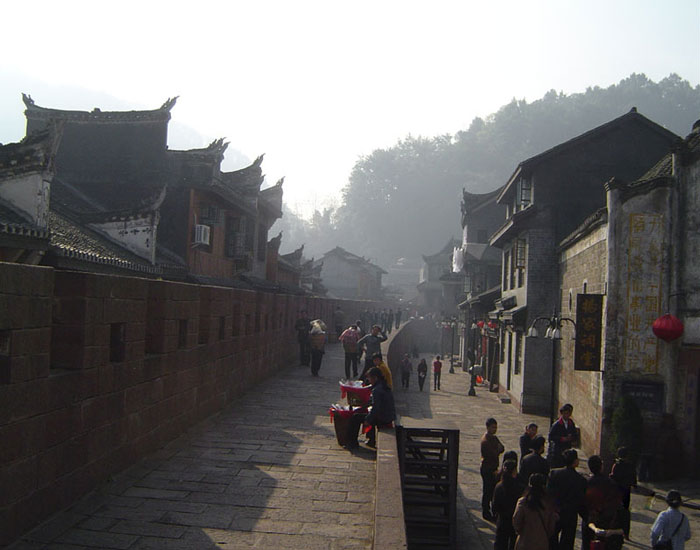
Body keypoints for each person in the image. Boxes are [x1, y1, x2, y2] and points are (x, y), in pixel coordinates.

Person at [547, 449, 587, 550]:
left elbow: (550, 493)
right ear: (575, 461)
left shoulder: (554, 474)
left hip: (556, 511)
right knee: (567, 542)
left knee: (552, 538)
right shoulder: (580, 480)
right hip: (571, 514)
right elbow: (581, 499)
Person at [347, 367, 396, 449]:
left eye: (369, 378)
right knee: (368, 415)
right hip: (389, 416)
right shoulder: (384, 385)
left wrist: (367, 419)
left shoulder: (377, 390)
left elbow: (375, 408)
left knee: (355, 418)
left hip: (383, 418)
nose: (368, 380)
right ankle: (371, 440)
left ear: (375, 378)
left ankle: (352, 443)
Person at [582, 455, 623, 550]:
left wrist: (586, 517)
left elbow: (582, 503)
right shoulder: (610, 483)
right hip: (606, 521)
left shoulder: (586, 483)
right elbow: (616, 503)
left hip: (589, 521)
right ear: (601, 466)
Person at [512, 473, 557, 550]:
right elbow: (551, 526)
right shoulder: (548, 503)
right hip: (542, 543)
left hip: (524, 542)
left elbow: (516, 522)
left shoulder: (523, 502)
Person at [492, 460, 521, 550]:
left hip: (503, 519)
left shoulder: (499, 486)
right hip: (514, 519)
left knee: (500, 543)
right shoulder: (519, 487)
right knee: (513, 543)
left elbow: (495, 505)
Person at [481, 417, 505, 522]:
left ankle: (491, 511)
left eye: (496, 427)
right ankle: (486, 511)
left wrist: (498, 449)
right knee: (487, 491)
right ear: (488, 427)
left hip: (493, 467)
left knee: (492, 490)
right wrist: (497, 450)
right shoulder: (485, 441)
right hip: (488, 468)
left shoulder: (493, 438)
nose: (494, 429)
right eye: (493, 427)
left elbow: (502, 448)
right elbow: (493, 453)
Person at [610, 446, 637, 538]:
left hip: (617, 491)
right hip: (626, 491)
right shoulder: (630, 465)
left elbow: (613, 478)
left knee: (616, 511)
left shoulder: (616, 465)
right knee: (625, 511)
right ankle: (626, 533)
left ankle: (616, 531)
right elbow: (634, 479)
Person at [548, 404, 577, 468]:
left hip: (567, 447)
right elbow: (551, 437)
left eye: (568, 413)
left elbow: (575, 434)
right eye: (565, 413)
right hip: (558, 449)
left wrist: (571, 438)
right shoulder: (557, 425)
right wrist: (561, 439)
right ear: (562, 413)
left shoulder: (571, 423)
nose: (567, 415)